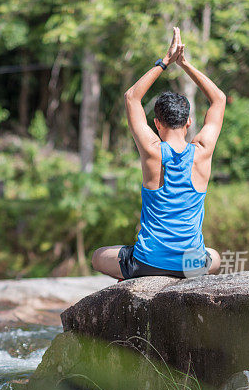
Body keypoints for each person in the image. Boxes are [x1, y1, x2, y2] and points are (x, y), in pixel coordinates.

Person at [92, 27, 225, 280]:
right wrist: (184, 63)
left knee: (98, 256)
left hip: (147, 264)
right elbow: (219, 99)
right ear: (188, 123)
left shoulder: (153, 151)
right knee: (214, 257)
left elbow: (132, 96)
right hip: (191, 266)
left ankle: (131, 282)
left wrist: (165, 61)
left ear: (157, 123)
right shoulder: (203, 151)